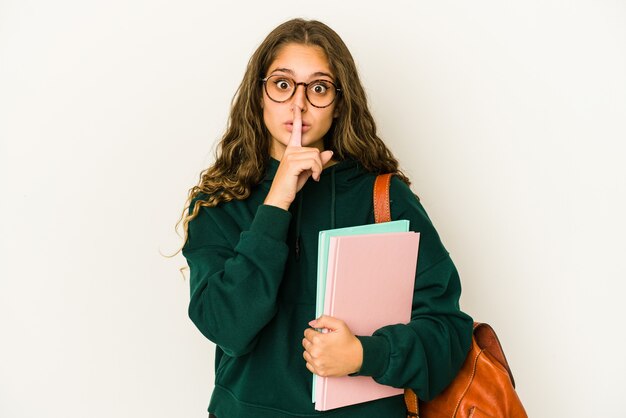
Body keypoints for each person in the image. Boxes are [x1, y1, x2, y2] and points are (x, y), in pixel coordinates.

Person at [179, 18, 473, 418]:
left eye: (318, 88)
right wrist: (277, 200)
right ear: (258, 96)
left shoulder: (383, 197)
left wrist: (365, 354)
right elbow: (228, 327)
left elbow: (447, 332)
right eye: (282, 84)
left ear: (338, 105)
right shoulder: (220, 202)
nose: (298, 104)